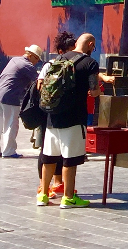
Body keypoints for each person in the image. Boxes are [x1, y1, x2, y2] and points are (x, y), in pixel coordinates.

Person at [39, 33, 103, 208]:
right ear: (90, 44)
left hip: (53, 116)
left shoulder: (58, 59)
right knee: (70, 159)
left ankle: (43, 195)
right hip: (74, 118)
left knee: (49, 157)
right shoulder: (90, 63)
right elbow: (94, 89)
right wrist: (97, 93)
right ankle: (68, 198)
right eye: (93, 47)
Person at [34, 31, 75, 198]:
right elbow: (39, 87)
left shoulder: (72, 66)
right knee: (46, 150)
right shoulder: (49, 65)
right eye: (70, 50)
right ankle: (42, 186)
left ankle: (58, 183)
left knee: (59, 149)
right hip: (47, 113)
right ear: (61, 51)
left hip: (61, 112)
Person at [0, 45, 43, 158]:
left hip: (1, 92)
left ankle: (2, 150)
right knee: (11, 124)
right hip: (10, 96)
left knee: (1, 124)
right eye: (37, 58)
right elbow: (39, 81)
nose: (37, 61)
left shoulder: (15, 60)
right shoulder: (27, 65)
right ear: (30, 55)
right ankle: (9, 151)